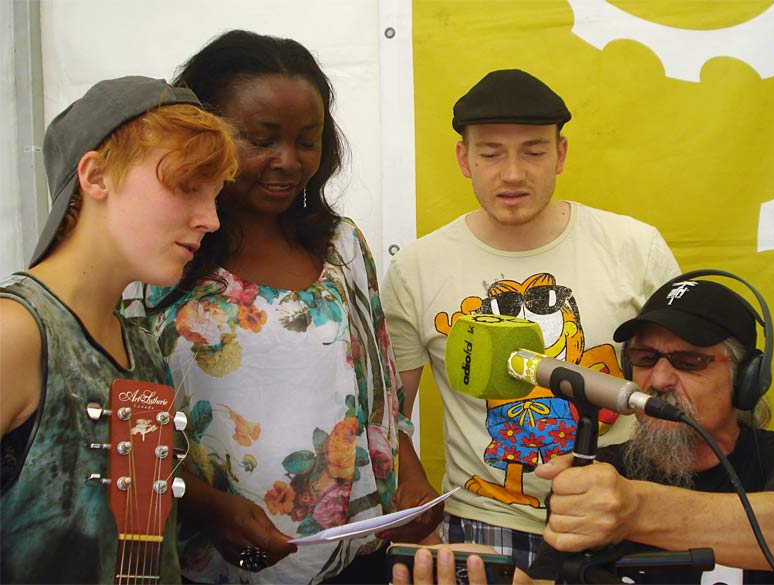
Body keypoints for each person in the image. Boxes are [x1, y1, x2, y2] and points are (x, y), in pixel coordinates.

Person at [134, 30, 440, 584]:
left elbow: (380, 386)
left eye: (307, 140)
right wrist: (210, 508)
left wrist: (410, 480)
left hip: (349, 558)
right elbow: (129, 426)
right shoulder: (160, 256)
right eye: (261, 139)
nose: (288, 161)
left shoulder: (341, 245)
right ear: (203, 134)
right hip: (215, 562)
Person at [380, 68, 680, 570]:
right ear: (464, 158)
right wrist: (425, 529)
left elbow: (683, 392)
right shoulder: (417, 268)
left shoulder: (635, 248)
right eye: (491, 153)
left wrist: (658, 505)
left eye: (534, 152)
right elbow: (389, 418)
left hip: (622, 516)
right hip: (484, 524)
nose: (513, 173)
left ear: (560, 154)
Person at [0, 76, 237, 583]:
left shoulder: (141, 349)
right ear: (96, 176)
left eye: (215, 196)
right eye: (189, 185)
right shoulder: (16, 334)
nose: (211, 219)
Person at [528, 275, 774, 584]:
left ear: (745, 379)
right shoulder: (601, 475)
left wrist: (634, 510)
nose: (659, 380)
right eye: (645, 358)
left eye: (690, 361)